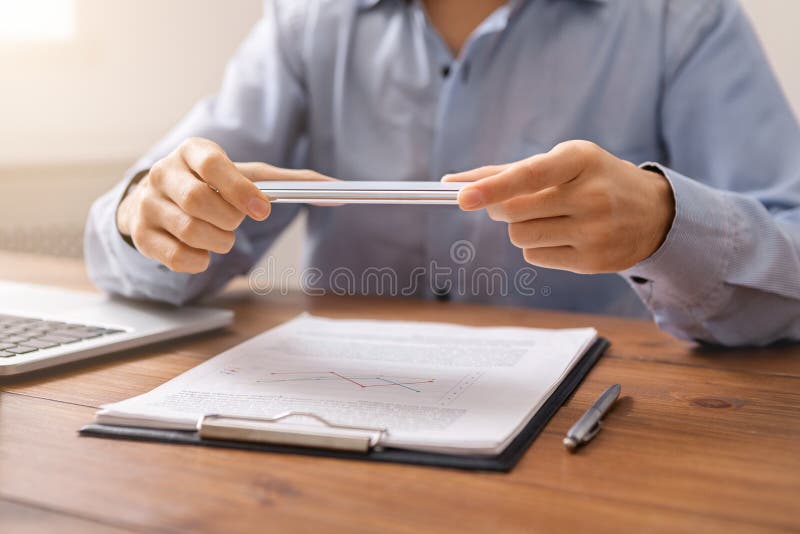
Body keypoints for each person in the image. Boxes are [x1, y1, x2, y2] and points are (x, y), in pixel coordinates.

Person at [85, 0, 800, 347]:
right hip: (332, 422)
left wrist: (666, 224)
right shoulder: (306, 21)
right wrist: (150, 215)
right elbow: (160, 221)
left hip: (598, 435)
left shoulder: (682, 18)